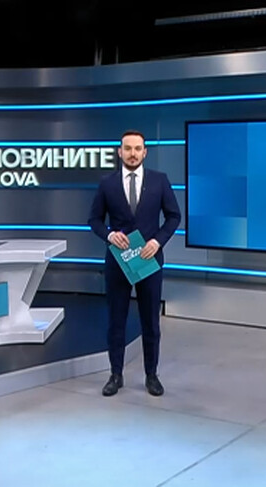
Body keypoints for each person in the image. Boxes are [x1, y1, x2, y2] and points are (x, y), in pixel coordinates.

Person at [87, 129, 181, 397]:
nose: (132, 153)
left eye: (137, 149)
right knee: (116, 321)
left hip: (149, 261)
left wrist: (158, 241)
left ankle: (152, 375)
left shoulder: (160, 181)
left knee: (150, 321)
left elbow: (174, 216)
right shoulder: (107, 184)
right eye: (127, 148)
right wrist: (109, 235)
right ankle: (115, 375)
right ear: (119, 152)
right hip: (118, 263)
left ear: (145, 152)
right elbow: (94, 219)